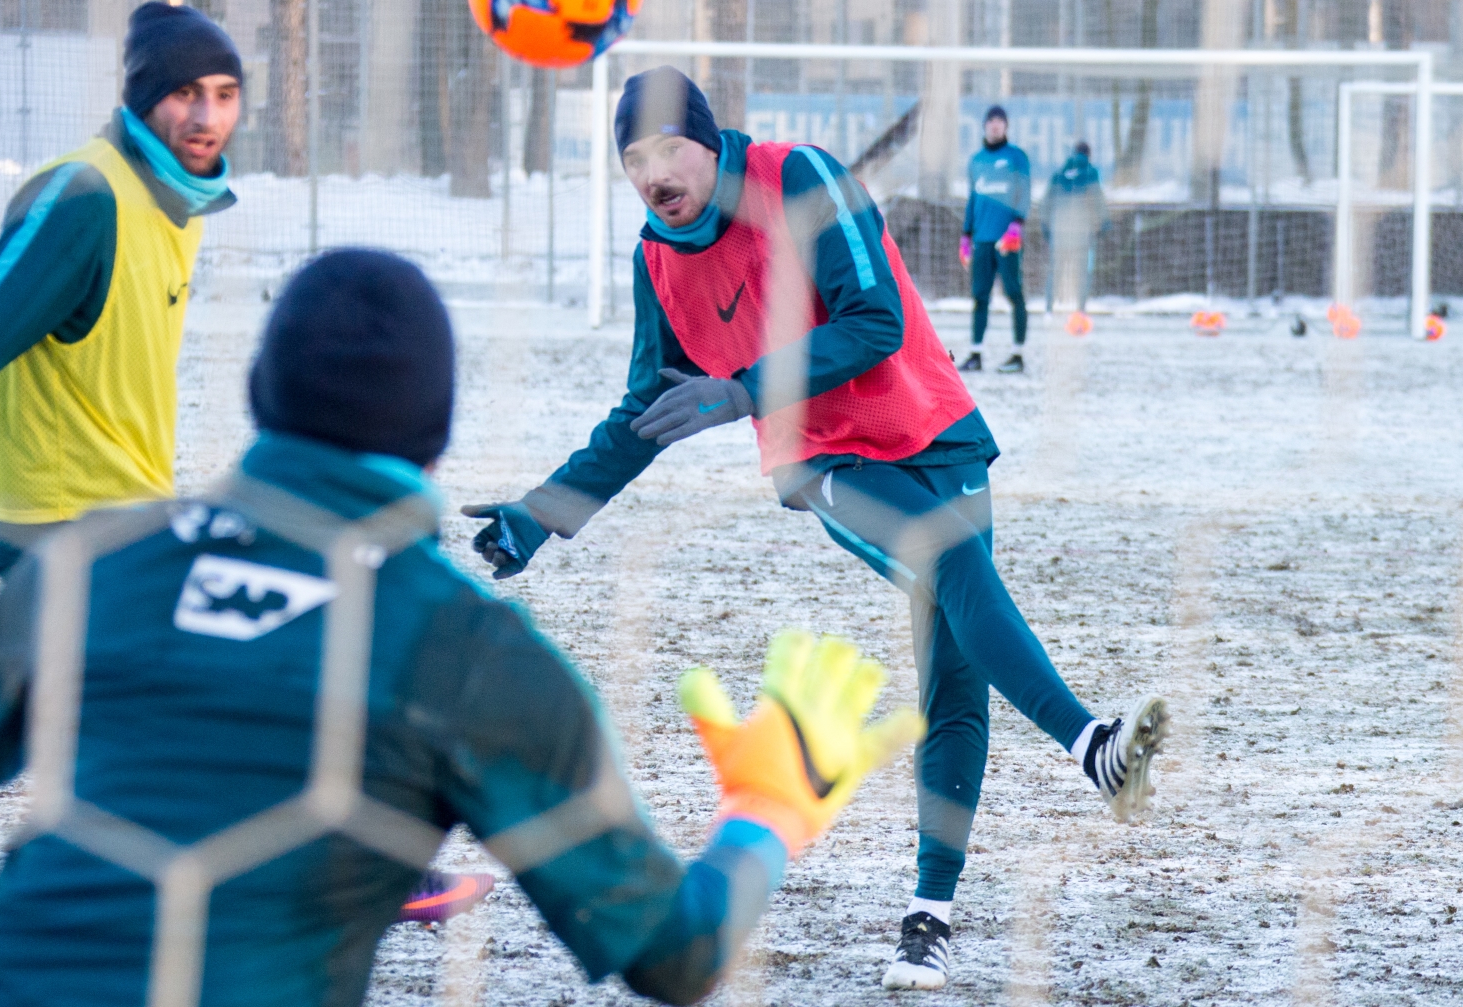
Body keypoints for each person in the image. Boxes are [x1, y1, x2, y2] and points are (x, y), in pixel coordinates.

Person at [0, 249, 917, 1007]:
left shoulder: (96, 561)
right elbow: (676, 956)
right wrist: (767, 813)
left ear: (259, 395)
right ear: (437, 429)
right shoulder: (469, 651)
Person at [460, 67, 1170, 992]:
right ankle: (1093, 746)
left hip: (936, 428)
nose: (651, 171)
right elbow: (646, 406)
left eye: (669, 147)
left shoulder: (800, 179)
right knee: (944, 562)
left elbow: (874, 323)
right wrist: (540, 514)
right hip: (826, 460)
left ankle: (929, 916)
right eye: (633, 156)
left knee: (955, 665)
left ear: (711, 146)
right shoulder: (655, 262)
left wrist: (743, 389)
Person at [0, 1, 243, 584]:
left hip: (121, 506)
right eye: (186, 92)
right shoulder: (84, 196)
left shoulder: (180, 201)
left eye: (225, 94)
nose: (206, 117)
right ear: (144, 97)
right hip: (58, 518)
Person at [957, 105, 1031, 374]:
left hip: (1007, 239)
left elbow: (1024, 192)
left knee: (1014, 291)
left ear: (1006, 126)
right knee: (979, 296)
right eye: (991, 121)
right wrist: (966, 235)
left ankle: (1018, 354)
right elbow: (973, 199)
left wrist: (1017, 224)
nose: (995, 125)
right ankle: (976, 354)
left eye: (1000, 121)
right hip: (983, 239)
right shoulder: (976, 161)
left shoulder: (1016, 157)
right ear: (985, 126)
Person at [1038, 141, 1110, 315]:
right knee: (1081, 275)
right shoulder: (1091, 175)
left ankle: (1049, 308)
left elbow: (1045, 205)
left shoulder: (1058, 175)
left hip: (1059, 233)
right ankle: (1080, 310)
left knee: (1055, 273)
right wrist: (1103, 225)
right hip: (1082, 235)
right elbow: (1098, 203)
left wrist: (1047, 229)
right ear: (1088, 155)